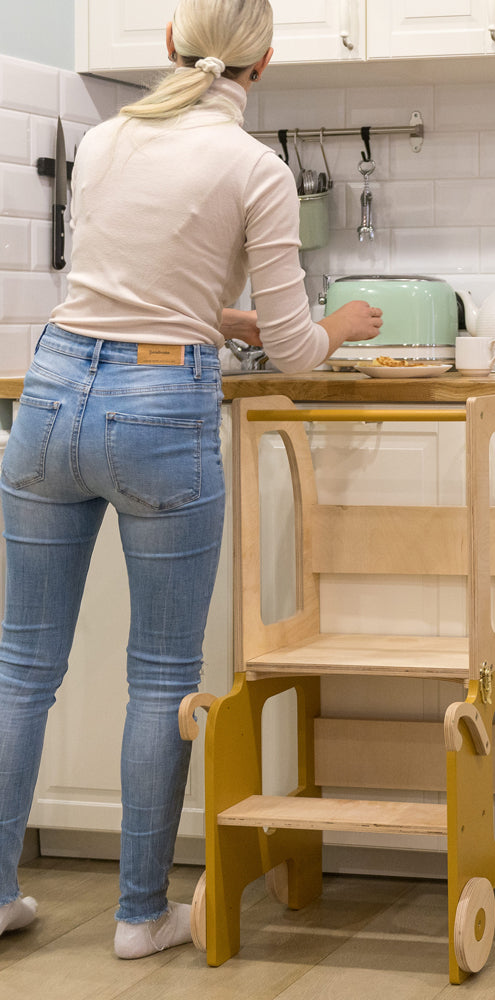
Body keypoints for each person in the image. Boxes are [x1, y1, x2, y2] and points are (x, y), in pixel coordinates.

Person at [0, 0, 381, 958]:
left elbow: (129, 286)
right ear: (264, 65)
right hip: (160, 411)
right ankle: (138, 916)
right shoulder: (258, 168)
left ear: (170, 45)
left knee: (20, 673)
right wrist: (339, 329)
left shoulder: (104, 140)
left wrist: (224, 319)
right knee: (160, 677)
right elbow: (299, 349)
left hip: (48, 394)